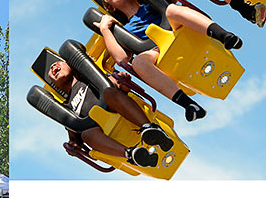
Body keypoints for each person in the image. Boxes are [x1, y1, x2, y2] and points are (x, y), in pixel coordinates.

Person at [98, 0, 244, 121]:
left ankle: (226, 37)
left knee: (171, 9)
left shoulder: (151, 3)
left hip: (178, 32)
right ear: (111, 7)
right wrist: (105, 30)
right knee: (138, 63)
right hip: (160, 51)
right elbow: (121, 58)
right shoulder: (126, 30)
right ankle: (190, 106)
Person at [47, 58, 175, 167]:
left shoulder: (90, 78)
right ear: (54, 85)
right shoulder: (66, 107)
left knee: (108, 92)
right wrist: (73, 146)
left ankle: (150, 129)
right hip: (108, 137)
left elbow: (114, 84)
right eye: (50, 71)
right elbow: (75, 138)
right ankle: (132, 154)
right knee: (86, 134)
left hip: (125, 117)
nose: (53, 66)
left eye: (58, 63)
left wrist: (121, 82)